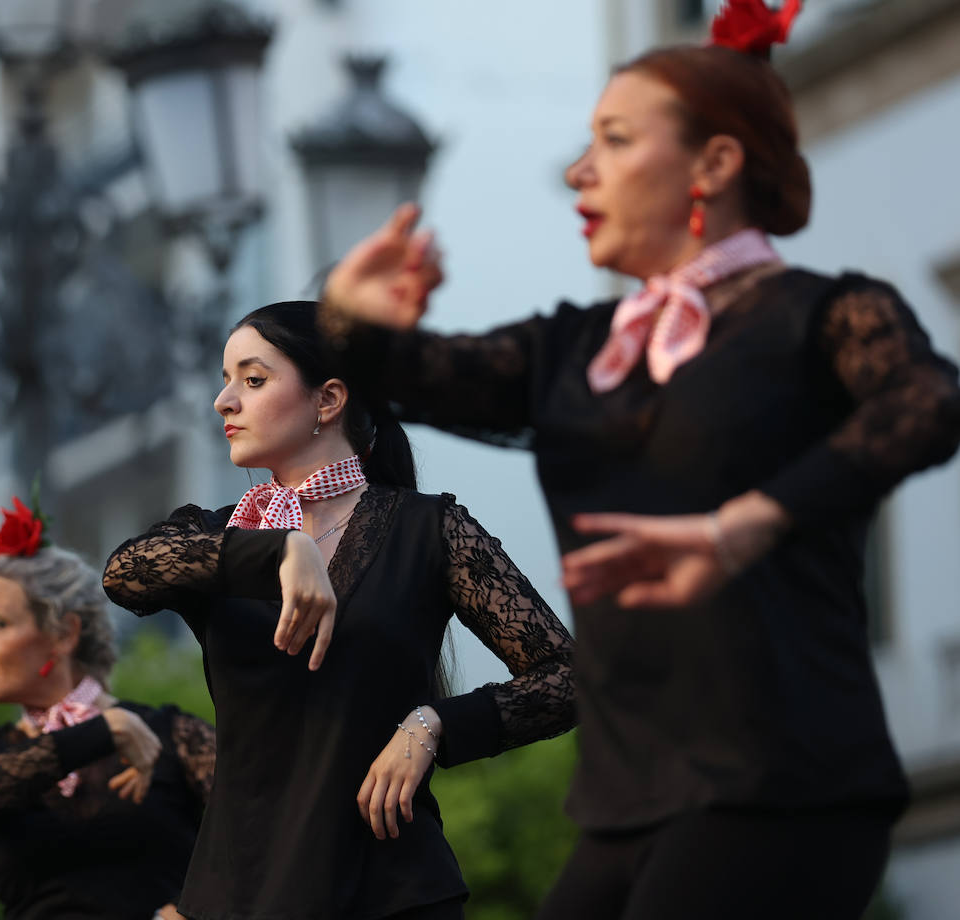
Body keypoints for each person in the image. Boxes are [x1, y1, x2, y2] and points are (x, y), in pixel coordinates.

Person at [316, 3, 960, 918]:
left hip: (783, 783)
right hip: (625, 801)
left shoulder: (822, 316)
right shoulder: (575, 348)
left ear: (714, 164)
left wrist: (747, 525)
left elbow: (928, 404)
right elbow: (405, 373)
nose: (579, 171)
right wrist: (352, 312)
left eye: (615, 140)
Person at [103, 300, 576, 920]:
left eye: (253, 379)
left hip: (395, 892)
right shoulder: (215, 538)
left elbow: (568, 679)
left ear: (327, 400)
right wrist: (278, 549)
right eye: (226, 381)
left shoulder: (429, 530)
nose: (224, 401)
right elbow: (124, 572)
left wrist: (433, 724)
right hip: (239, 897)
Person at [0, 497, 215, 920]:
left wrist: (198, 911)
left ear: (64, 634)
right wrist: (106, 729)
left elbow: (256, 834)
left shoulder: (175, 736)